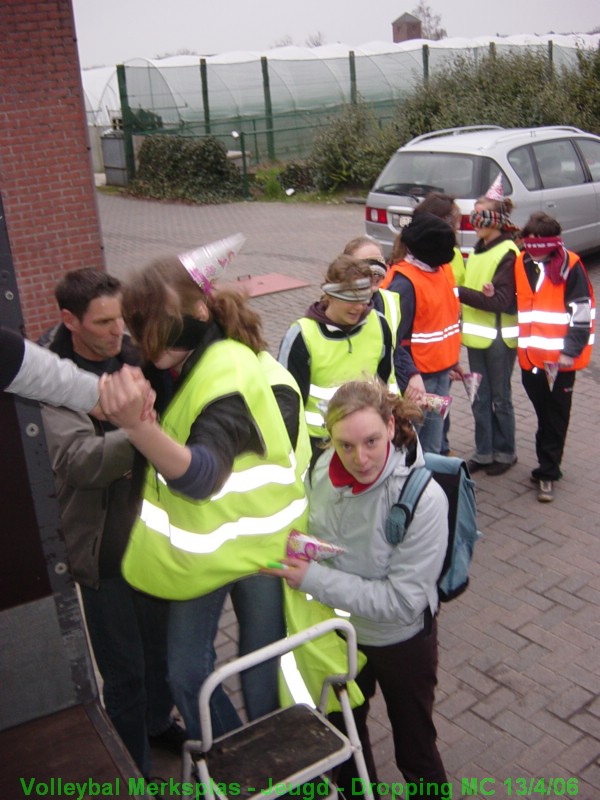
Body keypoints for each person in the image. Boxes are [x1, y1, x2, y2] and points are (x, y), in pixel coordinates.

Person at [98, 248, 308, 741]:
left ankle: (269, 772)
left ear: (198, 312)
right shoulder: (176, 357)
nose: (145, 344)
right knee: (187, 673)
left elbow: (202, 475)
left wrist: (138, 428)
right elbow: (139, 361)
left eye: (153, 327)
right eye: (137, 329)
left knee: (261, 673)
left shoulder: (227, 371)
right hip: (208, 549)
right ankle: (239, 756)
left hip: (259, 548)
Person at [263, 378, 449, 793]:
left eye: (371, 441)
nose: (359, 458)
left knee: (416, 751)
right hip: (339, 637)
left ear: (389, 424)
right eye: (345, 445)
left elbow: (401, 602)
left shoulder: (424, 499)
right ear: (329, 439)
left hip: (400, 641)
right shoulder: (318, 472)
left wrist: (312, 579)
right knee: (346, 742)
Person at [39, 269, 181, 777]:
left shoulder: (129, 353)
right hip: (106, 550)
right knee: (124, 674)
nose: (118, 329)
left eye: (120, 316)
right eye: (103, 322)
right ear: (69, 321)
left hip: (154, 535)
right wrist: (143, 432)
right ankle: (135, 771)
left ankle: (157, 725)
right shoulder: (51, 379)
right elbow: (79, 460)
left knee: (160, 654)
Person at [278, 254, 395, 464]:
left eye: (363, 299)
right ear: (329, 295)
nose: (358, 307)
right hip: (319, 447)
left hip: (366, 442)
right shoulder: (302, 335)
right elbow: (287, 406)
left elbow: (385, 380)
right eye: (349, 299)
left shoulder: (379, 325)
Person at [514, 212, 595, 502]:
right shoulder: (521, 262)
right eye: (529, 241)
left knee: (555, 416)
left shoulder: (570, 266)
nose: (532, 247)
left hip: (559, 361)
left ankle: (548, 472)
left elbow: (582, 314)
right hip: (531, 359)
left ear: (553, 242)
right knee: (543, 413)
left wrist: (569, 352)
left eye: (538, 243)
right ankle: (547, 461)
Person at [380, 212, 461, 454]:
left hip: (440, 373)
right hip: (418, 379)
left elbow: (445, 319)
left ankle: (434, 486)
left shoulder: (441, 271)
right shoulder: (404, 283)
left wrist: (452, 360)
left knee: (433, 444)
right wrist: (410, 376)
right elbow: (392, 338)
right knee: (415, 443)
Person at [459, 174, 521, 475]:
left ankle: (505, 452)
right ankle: (484, 452)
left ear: (495, 219)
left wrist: (459, 293)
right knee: (478, 396)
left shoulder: (508, 252)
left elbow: (500, 301)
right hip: (475, 339)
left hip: (498, 340)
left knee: (499, 398)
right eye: (473, 215)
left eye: (481, 215)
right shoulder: (478, 249)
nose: (475, 221)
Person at [342, 235, 401, 348]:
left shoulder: (391, 301)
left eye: (380, 263)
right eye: (365, 265)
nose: (375, 273)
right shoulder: (336, 307)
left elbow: (396, 349)